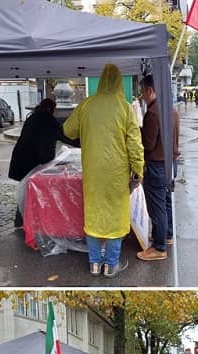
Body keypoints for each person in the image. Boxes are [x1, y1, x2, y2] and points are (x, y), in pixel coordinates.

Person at [63, 64, 144, 278]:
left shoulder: (87, 104)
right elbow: (135, 144)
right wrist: (138, 170)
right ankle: (111, 265)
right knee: (116, 217)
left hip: (93, 173)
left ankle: (94, 264)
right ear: (119, 83)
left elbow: (68, 130)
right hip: (118, 174)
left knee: (94, 216)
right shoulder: (125, 107)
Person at [137, 75, 173, 262]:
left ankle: (159, 248)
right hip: (167, 163)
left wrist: (139, 131)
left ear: (150, 90)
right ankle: (167, 235)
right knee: (165, 202)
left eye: (142, 92)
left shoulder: (153, 113)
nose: (142, 96)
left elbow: (148, 144)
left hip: (155, 164)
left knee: (157, 207)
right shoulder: (169, 109)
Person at [7, 98, 79, 182]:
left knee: (25, 184)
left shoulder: (32, 118)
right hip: (34, 161)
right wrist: (82, 143)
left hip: (21, 157)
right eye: (55, 109)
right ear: (51, 109)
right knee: (32, 184)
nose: (56, 112)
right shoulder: (50, 121)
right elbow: (65, 137)